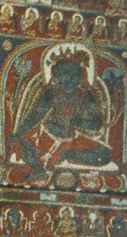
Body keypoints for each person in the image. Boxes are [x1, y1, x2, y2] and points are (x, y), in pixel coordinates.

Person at [10, 47, 116, 177]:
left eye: (75, 75)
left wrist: (79, 122)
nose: (70, 80)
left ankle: (65, 154)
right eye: (65, 74)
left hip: (72, 140)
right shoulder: (51, 92)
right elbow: (36, 115)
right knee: (20, 144)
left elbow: (97, 124)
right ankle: (39, 170)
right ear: (58, 76)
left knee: (105, 155)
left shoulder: (86, 95)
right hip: (49, 134)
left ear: (80, 77)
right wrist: (19, 133)